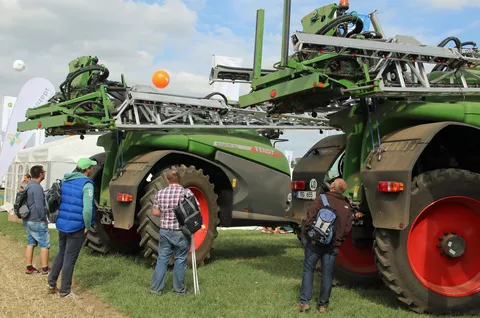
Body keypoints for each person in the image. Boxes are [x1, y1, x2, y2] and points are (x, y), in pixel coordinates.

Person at [296, 178, 353, 313]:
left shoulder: (321, 199)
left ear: (332, 186)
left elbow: (310, 217)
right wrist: (338, 241)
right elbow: (347, 228)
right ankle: (323, 306)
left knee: (308, 269)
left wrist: (308, 234)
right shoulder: (346, 205)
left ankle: (305, 303)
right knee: (327, 274)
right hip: (332, 246)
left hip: (315, 243)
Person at [47, 158, 96, 299]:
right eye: (91, 168)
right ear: (87, 170)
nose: (92, 169)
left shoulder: (66, 180)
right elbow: (87, 209)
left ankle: (51, 282)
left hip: (63, 224)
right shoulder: (87, 185)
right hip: (77, 226)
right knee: (70, 258)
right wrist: (87, 225)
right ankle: (65, 291)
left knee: (62, 253)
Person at [150, 168, 198, 296]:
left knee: (162, 259)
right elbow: (195, 208)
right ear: (179, 179)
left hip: (165, 231)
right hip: (181, 232)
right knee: (180, 259)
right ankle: (179, 291)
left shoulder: (160, 193)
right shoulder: (186, 193)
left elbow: (155, 212)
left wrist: (165, 213)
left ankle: (155, 290)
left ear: (167, 180)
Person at [23, 166, 50, 275]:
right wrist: (43, 219)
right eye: (44, 172)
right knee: (45, 244)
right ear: (40, 174)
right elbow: (39, 206)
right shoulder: (37, 188)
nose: (44, 173)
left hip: (28, 219)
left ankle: (29, 267)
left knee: (31, 243)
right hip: (37, 219)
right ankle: (45, 269)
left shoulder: (27, 185)